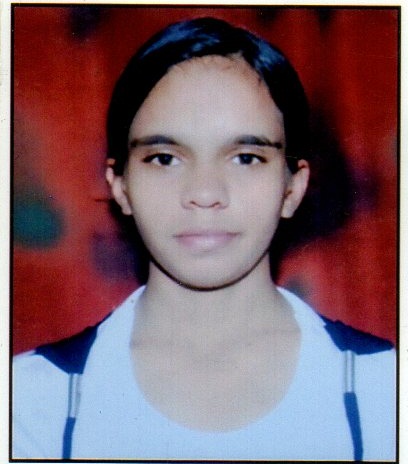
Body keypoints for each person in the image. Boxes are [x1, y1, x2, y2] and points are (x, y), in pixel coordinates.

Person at [12, 17, 395, 461]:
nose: (205, 193)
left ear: (293, 186)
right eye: (165, 158)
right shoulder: (32, 404)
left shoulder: (383, 392)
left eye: (246, 158)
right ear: (120, 185)